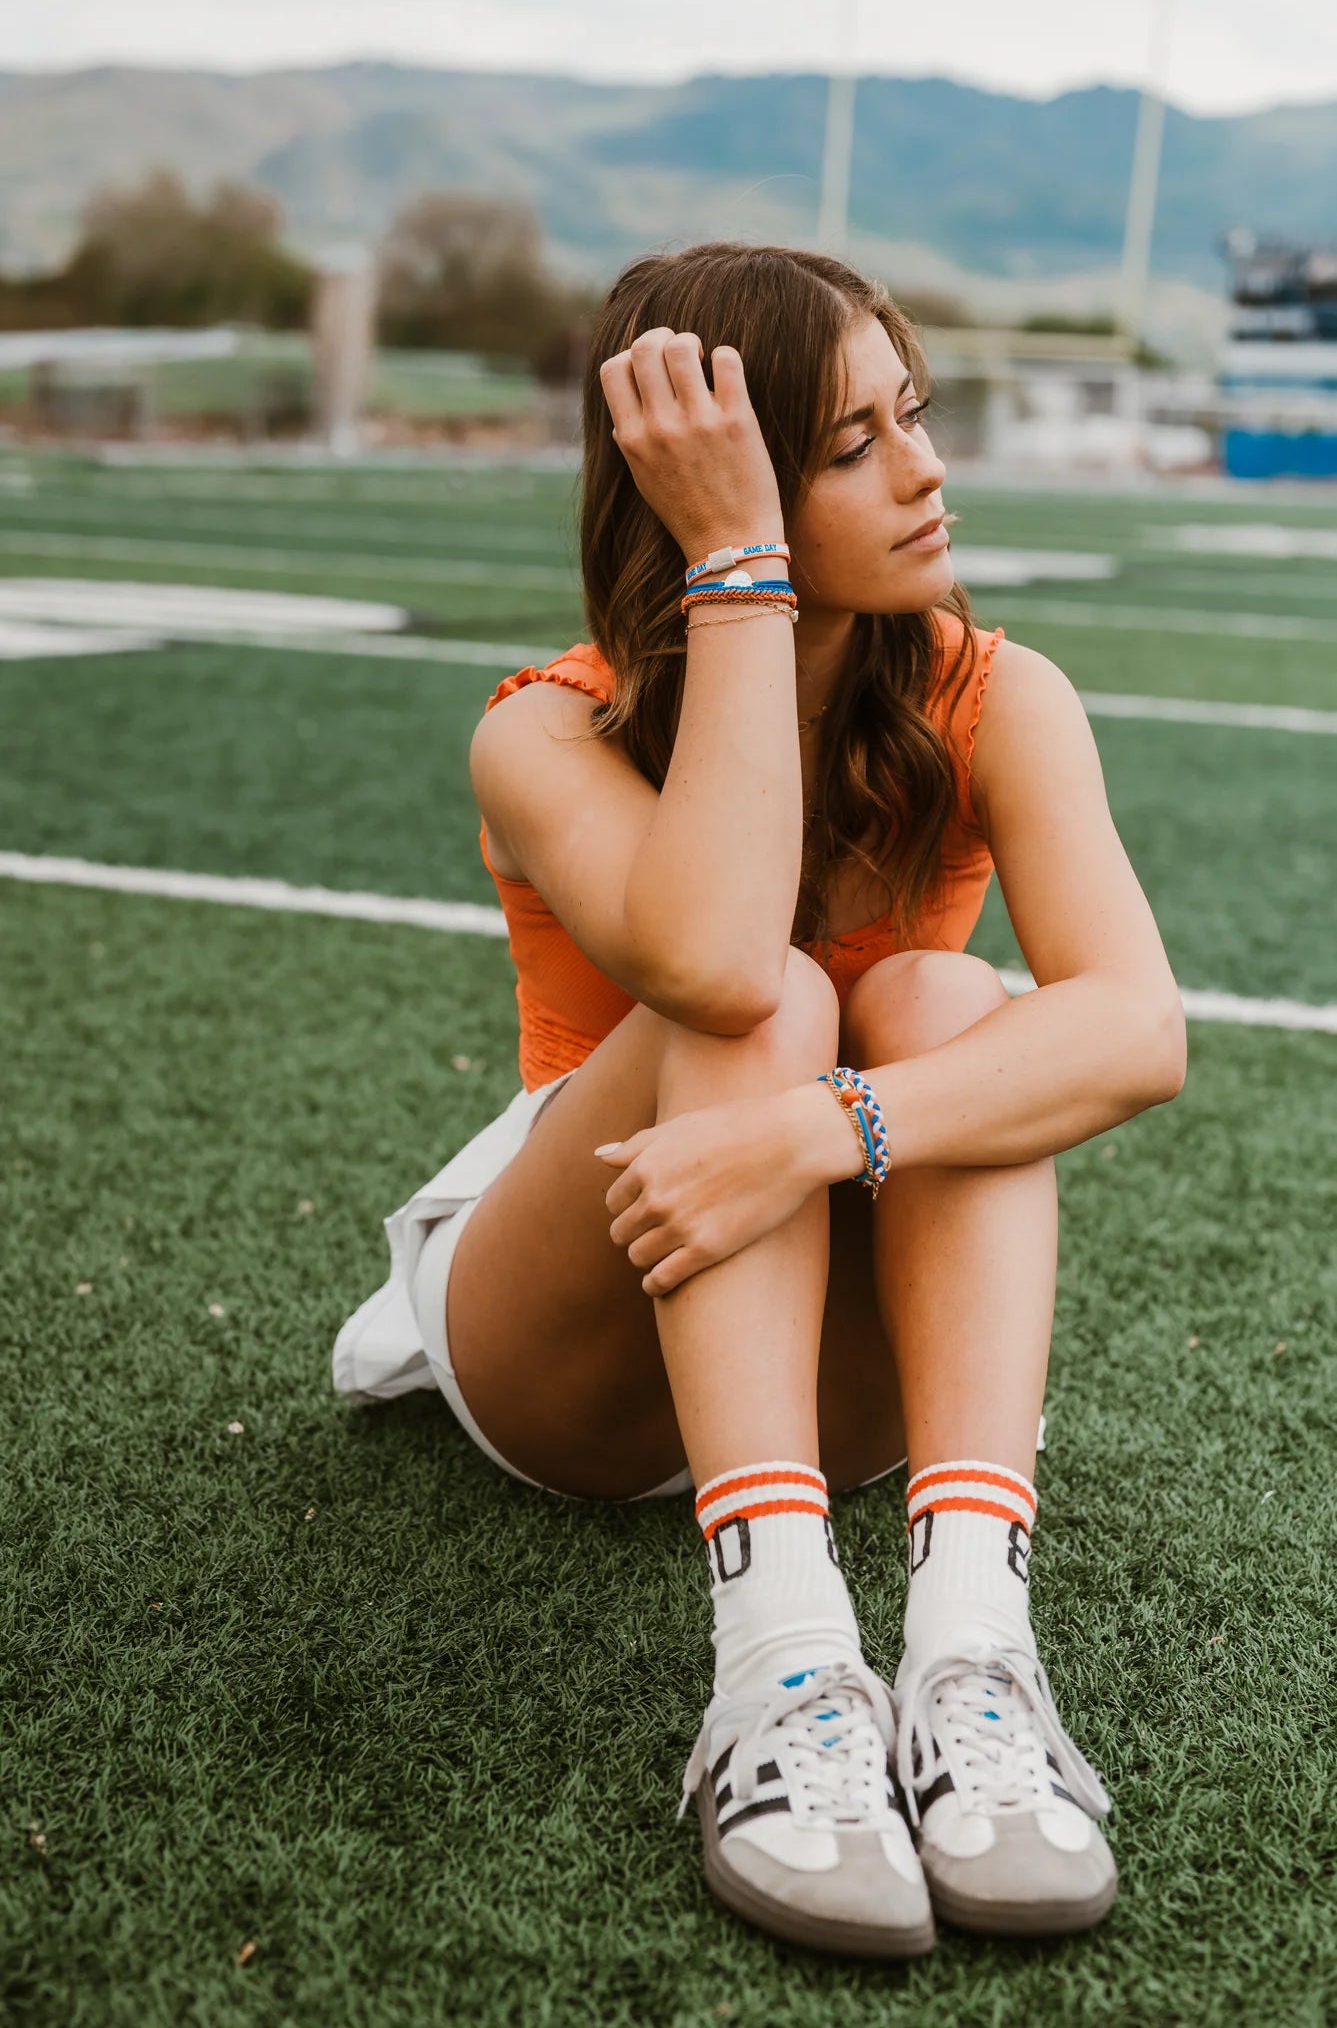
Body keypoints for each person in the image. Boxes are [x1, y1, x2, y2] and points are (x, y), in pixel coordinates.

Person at [333, 241, 1186, 1958]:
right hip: (583, 1327)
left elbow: (1135, 1032)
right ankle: (781, 1667)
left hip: (830, 1349)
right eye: (852, 443)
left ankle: (968, 1653)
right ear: (709, 481)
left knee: (948, 1002)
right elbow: (719, 974)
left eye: (915, 417)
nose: (927, 468)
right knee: (779, 991)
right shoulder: (544, 728)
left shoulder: (994, 693)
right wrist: (738, 571)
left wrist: (820, 1130)